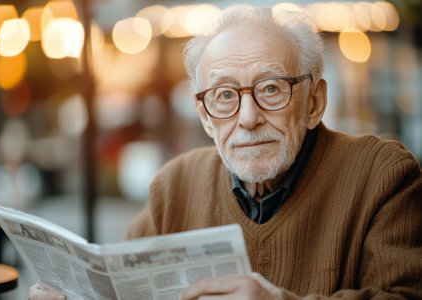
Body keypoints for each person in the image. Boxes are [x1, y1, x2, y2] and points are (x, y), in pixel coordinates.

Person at [29, 4, 422, 300]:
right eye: (224, 95)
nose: (247, 118)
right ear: (204, 116)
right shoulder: (174, 185)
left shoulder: (383, 174)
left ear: (314, 103)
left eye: (271, 89)